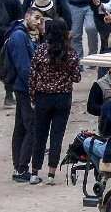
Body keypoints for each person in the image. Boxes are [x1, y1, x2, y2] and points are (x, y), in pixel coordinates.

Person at [27, 19, 81, 185]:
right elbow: (76, 77)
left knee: (40, 134)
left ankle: (35, 172)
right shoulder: (70, 52)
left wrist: (33, 98)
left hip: (43, 96)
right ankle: (51, 174)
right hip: (63, 97)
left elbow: (32, 76)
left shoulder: (40, 50)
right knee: (57, 135)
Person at [5, 8, 44, 181]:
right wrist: (33, 88)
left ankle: (18, 168)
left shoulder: (20, 34)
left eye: (41, 19)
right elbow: (24, 67)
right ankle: (22, 168)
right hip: (24, 88)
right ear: (27, 16)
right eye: (36, 17)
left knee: (21, 127)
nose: (38, 22)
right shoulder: (19, 36)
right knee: (31, 127)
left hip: (21, 87)